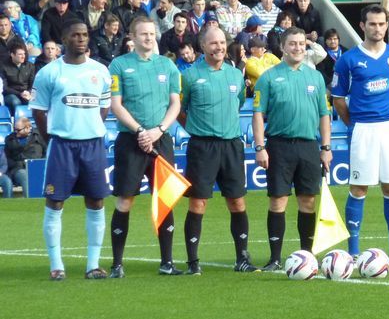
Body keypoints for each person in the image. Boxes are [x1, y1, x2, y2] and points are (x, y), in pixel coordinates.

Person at [331, 5, 389, 265]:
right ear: (362, 26)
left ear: (387, 25)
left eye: (381, 24)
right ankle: (353, 252)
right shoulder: (348, 60)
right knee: (359, 188)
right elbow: (337, 99)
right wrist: (355, 124)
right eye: (372, 24)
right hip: (362, 129)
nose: (377, 28)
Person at [30, 20, 112, 281]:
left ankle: (93, 265)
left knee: (96, 201)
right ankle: (56, 266)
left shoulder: (100, 71)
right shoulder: (49, 73)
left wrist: (91, 126)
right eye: (76, 35)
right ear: (64, 39)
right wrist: (52, 137)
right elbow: (39, 111)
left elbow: (104, 106)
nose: (81, 39)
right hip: (62, 145)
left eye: (85, 35)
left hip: (93, 145)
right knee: (55, 202)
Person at [179, 26, 259, 275]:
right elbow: (180, 110)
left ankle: (242, 258)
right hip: (202, 146)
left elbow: (236, 105)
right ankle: (193, 262)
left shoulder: (235, 75)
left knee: (237, 201)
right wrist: (196, 127)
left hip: (232, 144)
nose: (219, 47)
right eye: (213, 43)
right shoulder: (191, 75)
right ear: (202, 47)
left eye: (222, 42)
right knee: (198, 203)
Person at [107, 17, 183, 278]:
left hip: (160, 139)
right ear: (132, 37)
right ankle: (117, 264)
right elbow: (116, 105)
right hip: (131, 141)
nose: (149, 38)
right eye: (143, 34)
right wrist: (140, 131)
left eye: (152, 33)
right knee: (125, 199)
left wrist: (159, 130)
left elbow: (175, 103)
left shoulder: (168, 66)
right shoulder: (119, 65)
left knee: (165, 200)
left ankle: (167, 262)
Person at [251, 27, 332, 271]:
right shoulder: (268, 77)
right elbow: (257, 114)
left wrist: (326, 147)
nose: (298, 48)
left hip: (308, 145)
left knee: (307, 201)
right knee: (278, 201)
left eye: (301, 44)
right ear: (283, 48)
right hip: (279, 146)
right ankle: (275, 258)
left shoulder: (315, 77)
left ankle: (307, 255)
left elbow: (324, 114)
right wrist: (260, 147)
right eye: (293, 44)